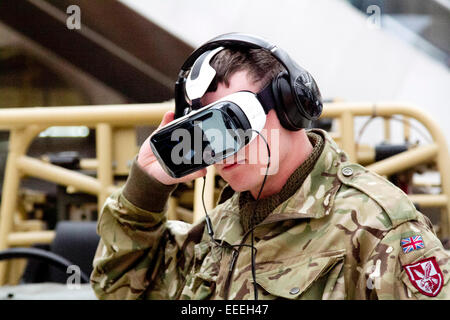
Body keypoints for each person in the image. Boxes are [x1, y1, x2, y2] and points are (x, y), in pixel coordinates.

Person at [90, 34, 450, 300]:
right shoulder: (223, 228)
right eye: (206, 131)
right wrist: (144, 191)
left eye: (234, 121)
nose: (222, 148)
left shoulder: (379, 226)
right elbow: (120, 291)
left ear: (291, 106)